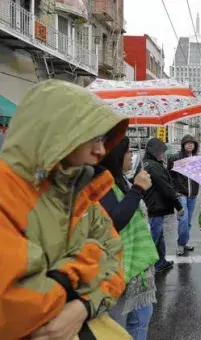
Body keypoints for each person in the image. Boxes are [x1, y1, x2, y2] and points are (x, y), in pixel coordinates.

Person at [0, 80, 127, 339]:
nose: (101, 150)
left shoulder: (78, 193)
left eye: (103, 139)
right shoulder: (7, 192)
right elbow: (16, 307)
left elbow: (116, 257)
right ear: (58, 133)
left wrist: (81, 307)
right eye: (92, 137)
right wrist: (87, 263)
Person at [100, 137, 158, 340]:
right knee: (119, 327)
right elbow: (114, 221)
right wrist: (138, 189)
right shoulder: (102, 184)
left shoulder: (121, 180)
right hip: (119, 269)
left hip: (138, 267)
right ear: (115, 155)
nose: (132, 155)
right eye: (128, 151)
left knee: (141, 319)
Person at [142, 138, 184, 273]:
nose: (163, 154)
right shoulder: (153, 166)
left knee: (159, 236)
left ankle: (161, 262)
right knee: (154, 237)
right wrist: (179, 206)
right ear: (154, 152)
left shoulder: (152, 163)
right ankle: (145, 266)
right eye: (161, 152)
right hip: (155, 206)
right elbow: (165, 187)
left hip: (156, 206)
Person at [167, 135, 200, 256]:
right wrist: (174, 190)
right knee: (183, 219)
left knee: (188, 221)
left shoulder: (197, 159)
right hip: (181, 194)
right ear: (183, 145)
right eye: (187, 143)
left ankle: (185, 242)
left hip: (193, 195)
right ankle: (181, 244)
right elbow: (169, 175)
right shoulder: (176, 158)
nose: (190, 145)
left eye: (192, 143)